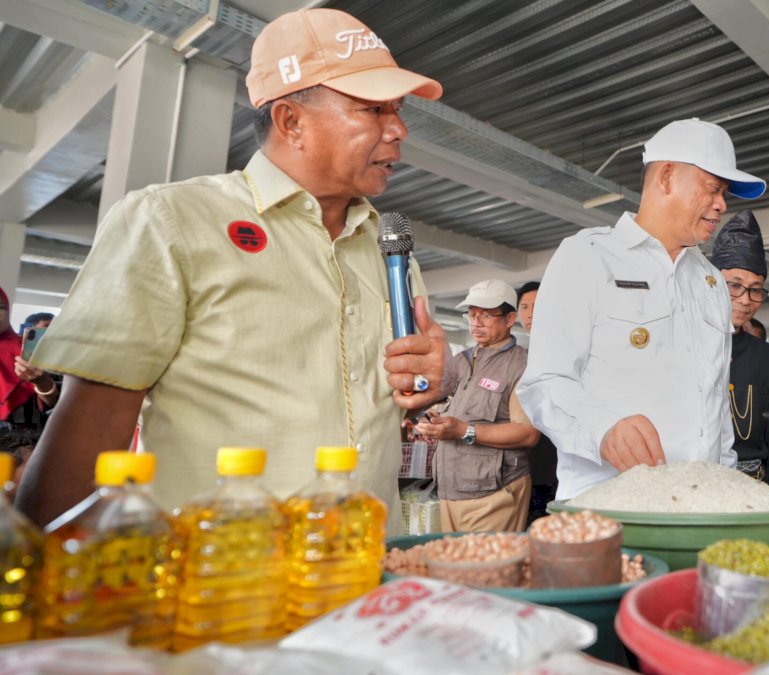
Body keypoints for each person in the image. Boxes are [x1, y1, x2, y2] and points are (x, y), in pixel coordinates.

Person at [17, 8, 449, 532]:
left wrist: (426, 382)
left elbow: (377, 408)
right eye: (373, 109)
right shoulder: (173, 221)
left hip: (362, 576)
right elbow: (90, 430)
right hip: (220, 585)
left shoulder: (389, 248)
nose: (399, 129)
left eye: (398, 110)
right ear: (291, 120)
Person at [517, 118, 766, 499]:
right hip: (608, 505)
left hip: (698, 506)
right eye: (713, 189)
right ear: (666, 177)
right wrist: (602, 430)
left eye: (724, 194)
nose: (721, 205)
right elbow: (544, 383)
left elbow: (715, 403)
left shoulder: (712, 283)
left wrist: (726, 487)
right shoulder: (589, 256)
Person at [416, 280, 538, 532]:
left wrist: (463, 431)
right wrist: (427, 422)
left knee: (486, 568)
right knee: (452, 568)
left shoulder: (522, 366)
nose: (476, 322)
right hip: (449, 490)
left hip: (493, 493)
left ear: (509, 319)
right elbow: (440, 407)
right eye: (472, 315)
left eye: (486, 315)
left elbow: (527, 434)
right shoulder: (458, 362)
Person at [712, 210, 769, 495]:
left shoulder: (768, 358)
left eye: (756, 290)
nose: (745, 300)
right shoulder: (683, 342)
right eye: (735, 286)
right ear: (710, 282)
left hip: (752, 490)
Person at [510, 280, 557, 522]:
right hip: (531, 456)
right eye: (524, 307)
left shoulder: (563, 346)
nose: (530, 313)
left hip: (557, 453)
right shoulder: (526, 354)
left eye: (536, 305)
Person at [1, 288, 58, 431]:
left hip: (21, 440)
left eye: (1, 307)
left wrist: (43, 383)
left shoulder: (32, 350)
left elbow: (56, 406)